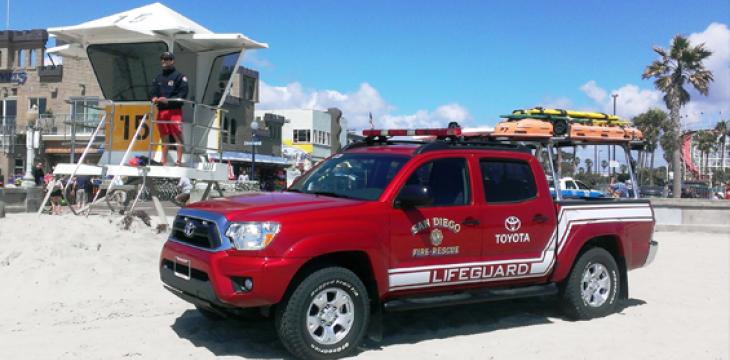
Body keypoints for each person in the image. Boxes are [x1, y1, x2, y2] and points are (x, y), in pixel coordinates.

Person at [151, 51, 189, 166]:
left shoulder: (180, 77)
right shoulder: (158, 78)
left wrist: (168, 100)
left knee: (177, 135)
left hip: (174, 111)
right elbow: (152, 92)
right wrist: (154, 98)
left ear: (172, 61)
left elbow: (182, 94)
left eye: (166, 59)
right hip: (162, 112)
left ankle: (179, 161)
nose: (163, 61)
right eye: (162, 59)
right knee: (164, 138)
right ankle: (164, 161)